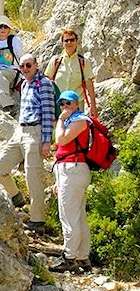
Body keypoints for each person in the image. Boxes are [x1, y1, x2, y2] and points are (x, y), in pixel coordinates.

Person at [0, 53, 55, 231]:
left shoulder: (44, 84)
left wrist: (46, 141)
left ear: (36, 65)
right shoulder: (25, 84)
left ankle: (37, 220)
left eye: (28, 65)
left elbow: (49, 113)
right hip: (20, 130)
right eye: (22, 66)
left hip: (35, 132)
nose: (25, 69)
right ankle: (16, 196)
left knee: (33, 177)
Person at [49, 90, 92, 273]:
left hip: (73, 169)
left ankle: (69, 257)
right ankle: (82, 257)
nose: (65, 107)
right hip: (70, 170)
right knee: (78, 214)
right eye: (62, 104)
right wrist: (58, 181)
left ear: (76, 104)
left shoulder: (79, 120)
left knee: (68, 215)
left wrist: (59, 120)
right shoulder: (74, 120)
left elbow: (61, 139)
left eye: (68, 103)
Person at [44, 28, 98, 119]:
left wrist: (93, 105)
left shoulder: (83, 62)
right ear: (62, 43)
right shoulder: (55, 61)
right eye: (66, 40)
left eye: (72, 40)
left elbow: (89, 83)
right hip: (58, 104)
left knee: (77, 130)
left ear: (77, 41)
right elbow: (47, 80)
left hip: (77, 104)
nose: (69, 43)